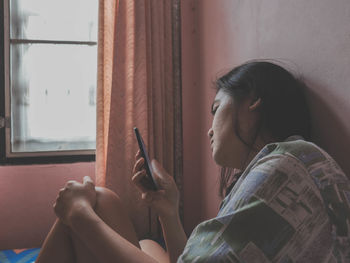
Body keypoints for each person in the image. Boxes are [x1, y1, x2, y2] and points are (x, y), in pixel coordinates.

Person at [36, 61, 350, 263]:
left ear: (252, 100)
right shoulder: (296, 163)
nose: (210, 128)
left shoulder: (284, 165)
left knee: (89, 208)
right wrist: (169, 211)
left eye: (216, 108)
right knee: (118, 214)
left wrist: (78, 215)